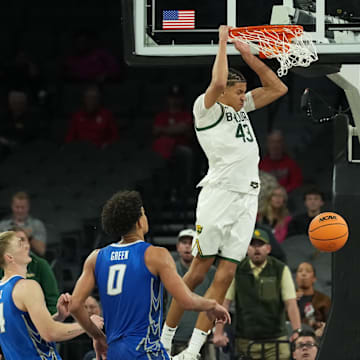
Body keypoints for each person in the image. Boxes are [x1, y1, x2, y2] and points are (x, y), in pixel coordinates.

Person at [161, 25, 288, 360]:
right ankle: (162, 340)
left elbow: (277, 87)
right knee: (199, 269)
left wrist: (251, 57)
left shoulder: (240, 109)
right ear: (220, 94)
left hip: (247, 198)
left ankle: (192, 352)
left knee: (227, 272)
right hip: (219, 195)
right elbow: (217, 83)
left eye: (245, 91)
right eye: (239, 91)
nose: (243, 96)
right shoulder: (206, 110)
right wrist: (222, 42)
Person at [69, 190, 230, 360]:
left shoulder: (95, 257)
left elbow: (74, 306)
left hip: (114, 352)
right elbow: (186, 300)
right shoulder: (155, 255)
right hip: (144, 350)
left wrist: (98, 336)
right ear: (140, 221)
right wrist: (212, 304)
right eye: (144, 213)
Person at [0, 230, 103, 359]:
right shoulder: (26, 286)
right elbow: (49, 333)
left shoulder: (3, 288)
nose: (27, 246)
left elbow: (27, 332)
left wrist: (59, 316)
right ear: (10, 257)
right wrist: (87, 324)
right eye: (20, 244)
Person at [213, 228, 302, 360]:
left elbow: (291, 303)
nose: (256, 249)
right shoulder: (237, 269)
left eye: (260, 244)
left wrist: (296, 331)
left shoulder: (280, 269)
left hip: (276, 340)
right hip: (245, 341)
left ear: (268, 248)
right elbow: (225, 303)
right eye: (252, 244)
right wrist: (218, 333)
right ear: (246, 248)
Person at [167, 229, 216, 358]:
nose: (188, 246)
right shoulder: (169, 270)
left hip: (204, 338)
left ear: (197, 246)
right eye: (184, 242)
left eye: (191, 242)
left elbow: (218, 301)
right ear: (178, 247)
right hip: (175, 338)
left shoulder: (211, 272)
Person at [0, 226, 59, 314]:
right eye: (18, 243)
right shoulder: (29, 286)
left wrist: (59, 316)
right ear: (9, 255)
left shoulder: (40, 265)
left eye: (23, 240)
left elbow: (52, 302)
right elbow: (48, 327)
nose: (26, 247)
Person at [0, 191, 47, 256]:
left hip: (31, 262)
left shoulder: (37, 225)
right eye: (17, 207)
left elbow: (41, 251)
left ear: (28, 207)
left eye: (23, 207)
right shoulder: (2, 225)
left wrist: (28, 236)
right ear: (12, 206)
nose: (20, 210)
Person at [295, 262, 331, 331]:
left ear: (314, 278)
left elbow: (330, 323)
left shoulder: (324, 300)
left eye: (308, 271)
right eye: (300, 271)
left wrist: (321, 327)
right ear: (296, 277)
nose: (303, 274)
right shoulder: (288, 298)